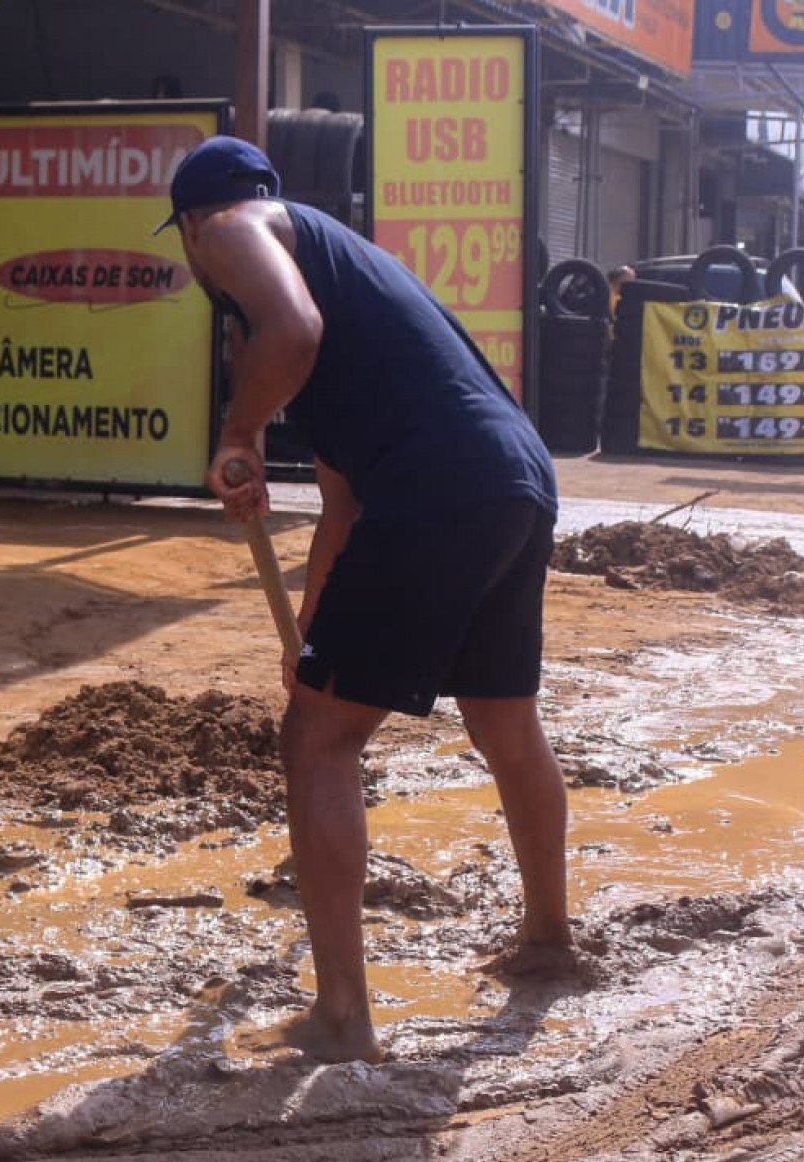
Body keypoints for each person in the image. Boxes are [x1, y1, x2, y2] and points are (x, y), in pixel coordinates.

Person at [157, 136, 572, 1064]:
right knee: (504, 718)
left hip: (440, 485)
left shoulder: (234, 228)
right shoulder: (348, 281)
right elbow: (341, 507)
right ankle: (549, 939)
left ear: (191, 226)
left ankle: (342, 1016)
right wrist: (311, 641)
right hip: (512, 477)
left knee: (317, 740)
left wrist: (238, 430)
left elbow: (291, 330)